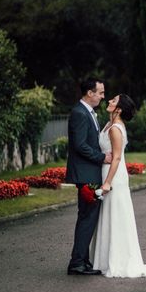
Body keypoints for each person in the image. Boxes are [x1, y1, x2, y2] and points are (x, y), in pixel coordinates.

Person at [91, 94, 146, 278]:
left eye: (113, 101)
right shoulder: (108, 124)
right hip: (107, 171)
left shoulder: (115, 128)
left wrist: (107, 183)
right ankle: (104, 260)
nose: (109, 102)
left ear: (119, 109)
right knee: (108, 214)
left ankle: (117, 260)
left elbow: (117, 157)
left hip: (114, 175)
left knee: (116, 214)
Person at [65, 78, 112, 276]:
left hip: (89, 173)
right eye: (100, 93)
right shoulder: (79, 113)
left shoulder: (88, 113)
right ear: (90, 93)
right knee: (87, 218)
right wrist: (103, 158)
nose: (103, 96)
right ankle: (77, 263)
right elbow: (80, 145)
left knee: (87, 218)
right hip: (86, 175)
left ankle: (82, 261)